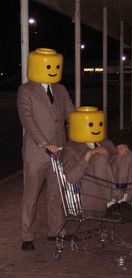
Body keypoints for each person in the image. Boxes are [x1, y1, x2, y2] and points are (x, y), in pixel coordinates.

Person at [17, 48, 74, 251]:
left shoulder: (60, 89)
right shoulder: (26, 90)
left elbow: (71, 114)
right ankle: (27, 236)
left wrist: (87, 131)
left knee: (56, 193)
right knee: (31, 195)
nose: (53, 70)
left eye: (56, 66)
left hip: (59, 149)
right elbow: (27, 118)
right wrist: (43, 142)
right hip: (36, 152)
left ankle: (56, 230)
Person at [62, 106, 132, 217]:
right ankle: (112, 202)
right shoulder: (71, 148)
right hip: (94, 194)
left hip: (113, 188)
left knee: (126, 154)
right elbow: (71, 178)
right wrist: (89, 154)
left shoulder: (103, 142)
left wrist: (118, 149)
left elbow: (112, 157)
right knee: (99, 157)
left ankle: (123, 200)